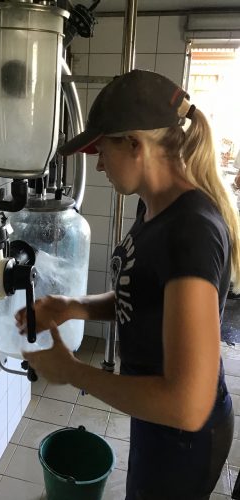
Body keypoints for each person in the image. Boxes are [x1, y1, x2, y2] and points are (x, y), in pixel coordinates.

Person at [15, 69, 240, 500]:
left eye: (101, 149)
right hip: (156, 420)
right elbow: (145, 295)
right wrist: (73, 305)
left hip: (183, 438)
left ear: (135, 145)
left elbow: (187, 405)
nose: (97, 163)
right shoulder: (154, 207)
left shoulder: (191, 228)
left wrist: (73, 372)